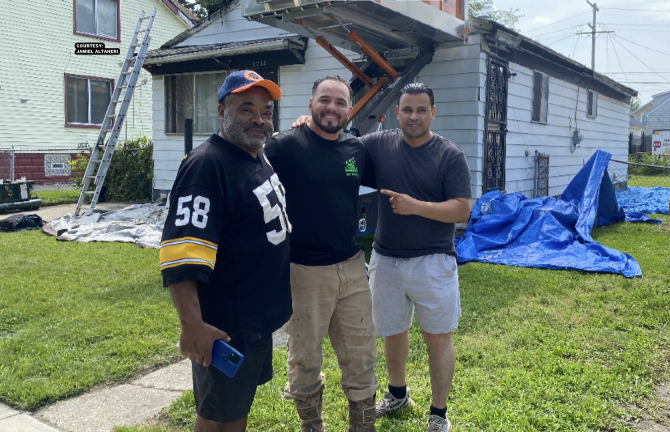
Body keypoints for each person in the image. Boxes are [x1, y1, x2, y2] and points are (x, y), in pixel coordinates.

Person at [292, 82, 471, 432]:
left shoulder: (449, 155)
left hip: (434, 260)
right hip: (386, 258)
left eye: (421, 110)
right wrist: (307, 125)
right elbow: (338, 143)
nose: (414, 116)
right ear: (396, 113)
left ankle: (439, 414)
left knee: (437, 336)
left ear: (433, 113)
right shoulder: (377, 144)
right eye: (407, 109)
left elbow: (462, 209)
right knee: (392, 330)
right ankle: (398, 394)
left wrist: (415, 207)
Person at [159, 70, 291, 432]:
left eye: (266, 111)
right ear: (221, 112)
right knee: (217, 416)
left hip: (254, 320)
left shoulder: (254, 153)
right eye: (247, 109)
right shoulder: (207, 165)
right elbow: (181, 256)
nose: (259, 119)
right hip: (225, 324)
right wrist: (192, 326)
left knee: (235, 409)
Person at [265, 76, 378, 432]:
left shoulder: (356, 150)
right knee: (305, 356)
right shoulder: (283, 147)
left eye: (340, 102)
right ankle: (312, 425)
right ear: (310, 104)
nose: (332, 108)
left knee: (361, 353)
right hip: (303, 270)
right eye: (325, 100)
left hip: (351, 266)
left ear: (349, 109)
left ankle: (363, 426)